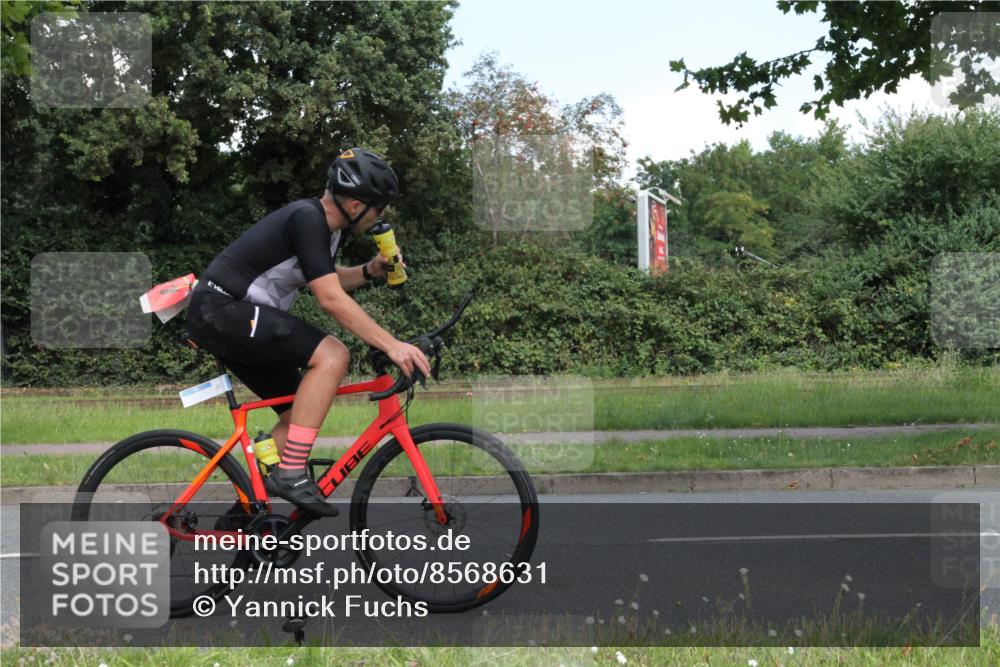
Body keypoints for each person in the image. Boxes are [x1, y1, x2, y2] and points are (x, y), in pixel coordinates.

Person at [186, 148, 430, 517]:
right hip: (223, 309)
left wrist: (368, 270)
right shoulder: (307, 218)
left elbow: (325, 278)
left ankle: (245, 521)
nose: (380, 217)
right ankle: (291, 474)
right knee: (333, 354)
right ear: (355, 205)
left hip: (232, 316)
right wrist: (393, 345)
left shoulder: (326, 231)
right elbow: (329, 298)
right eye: (379, 208)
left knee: (296, 413)